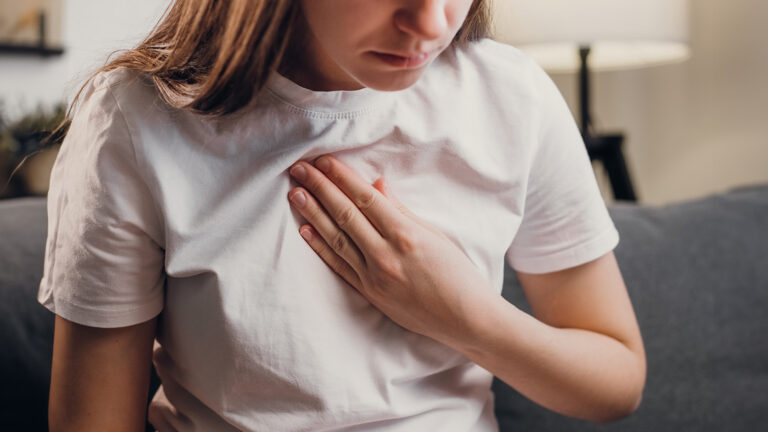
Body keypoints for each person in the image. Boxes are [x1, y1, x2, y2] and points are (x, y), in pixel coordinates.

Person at [39, 0, 647, 431]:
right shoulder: (136, 120)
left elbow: (617, 381)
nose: (430, 22)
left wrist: (465, 318)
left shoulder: (513, 98)